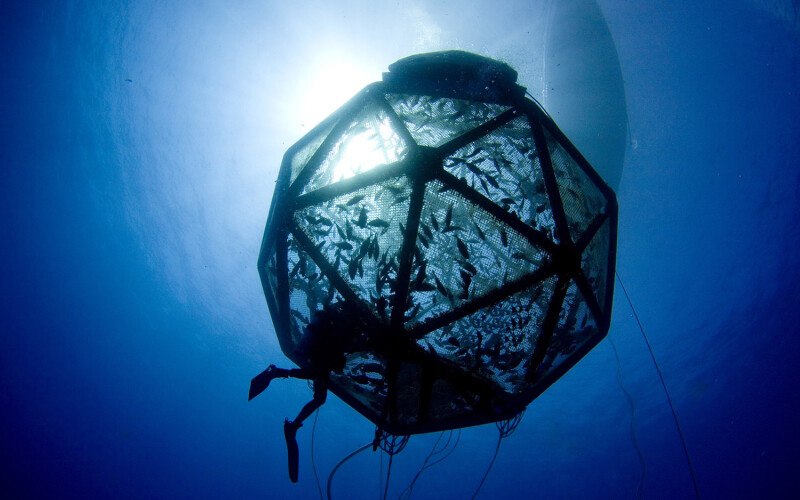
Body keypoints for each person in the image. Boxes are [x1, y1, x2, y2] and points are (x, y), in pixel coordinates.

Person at [248, 304, 362, 483]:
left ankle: (277, 374)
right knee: (319, 395)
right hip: (321, 352)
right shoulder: (346, 326)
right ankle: (279, 381)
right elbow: (342, 346)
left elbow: (342, 347)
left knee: (318, 391)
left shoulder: (339, 321)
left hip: (319, 353)